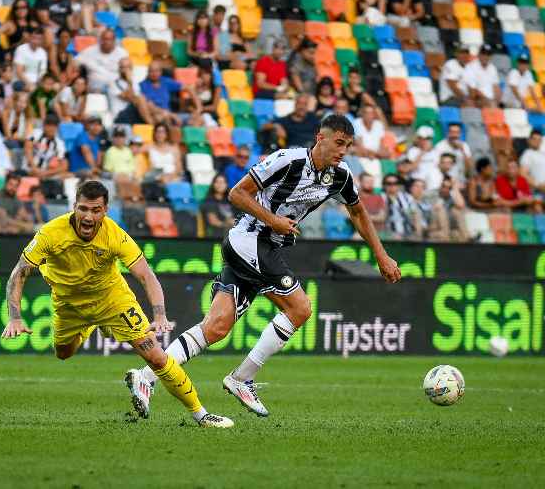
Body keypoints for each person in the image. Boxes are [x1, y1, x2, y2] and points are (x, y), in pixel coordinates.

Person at [125, 115, 401, 418]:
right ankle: (241, 378)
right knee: (300, 308)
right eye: (338, 143)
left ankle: (146, 378)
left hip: (259, 248)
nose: (343, 151)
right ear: (320, 138)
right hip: (251, 240)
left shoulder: (341, 176)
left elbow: (358, 212)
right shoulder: (287, 160)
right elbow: (237, 193)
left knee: (215, 328)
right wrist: (274, 221)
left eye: (348, 146)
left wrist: (381, 255)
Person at [1, 180, 233, 428]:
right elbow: (19, 273)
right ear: (74, 207)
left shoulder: (115, 235)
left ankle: (201, 414)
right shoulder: (50, 233)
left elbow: (146, 275)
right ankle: (90, 326)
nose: (88, 216)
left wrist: (159, 314)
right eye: (83, 209)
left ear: (105, 210)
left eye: (96, 210)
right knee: (63, 353)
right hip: (69, 305)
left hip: (112, 301)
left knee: (156, 357)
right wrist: (15, 316)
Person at [75, 28, 128, 93]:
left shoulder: (122, 53)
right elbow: (75, 62)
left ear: (114, 41)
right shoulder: (90, 51)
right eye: (104, 39)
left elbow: (128, 71)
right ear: (100, 40)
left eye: (109, 39)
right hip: (95, 88)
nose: (106, 42)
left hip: (116, 87)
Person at [108, 57, 153, 125]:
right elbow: (129, 97)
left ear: (132, 68)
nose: (125, 70)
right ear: (119, 69)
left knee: (158, 115)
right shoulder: (113, 84)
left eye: (128, 67)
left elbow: (139, 102)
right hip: (121, 116)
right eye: (122, 67)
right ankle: (152, 125)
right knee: (140, 98)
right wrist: (129, 81)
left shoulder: (135, 83)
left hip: (134, 113)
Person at [24, 113, 69, 181]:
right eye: (49, 125)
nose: (51, 128)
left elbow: (64, 165)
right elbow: (27, 147)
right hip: (30, 169)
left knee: (68, 176)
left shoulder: (60, 143)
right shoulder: (35, 133)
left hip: (47, 174)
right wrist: (34, 168)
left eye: (54, 126)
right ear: (44, 125)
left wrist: (46, 173)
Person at [140, 60, 185, 125]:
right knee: (161, 117)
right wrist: (171, 114)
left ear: (161, 72)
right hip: (155, 115)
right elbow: (150, 106)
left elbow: (189, 88)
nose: (154, 73)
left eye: (157, 71)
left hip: (169, 114)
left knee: (195, 119)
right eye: (151, 71)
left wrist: (199, 108)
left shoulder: (165, 81)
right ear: (148, 72)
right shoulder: (143, 85)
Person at [433, 122, 473, 188]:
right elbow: (436, 167)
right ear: (448, 133)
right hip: (444, 182)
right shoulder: (440, 146)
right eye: (452, 132)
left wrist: (462, 150)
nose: (454, 135)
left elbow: (470, 168)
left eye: (457, 132)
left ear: (460, 134)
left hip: (461, 181)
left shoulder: (464, 146)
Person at [382, 173, 418, 239]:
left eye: (395, 183)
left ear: (398, 185)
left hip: (408, 232)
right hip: (387, 234)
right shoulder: (381, 198)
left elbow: (415, 215)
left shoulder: (407, 198)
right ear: (384, 185)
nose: (392, 185)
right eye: (389, 183)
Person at [201, 173, 236, 238]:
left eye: (222, 182)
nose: (220, 185)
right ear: (213, 184)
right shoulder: (209, 201)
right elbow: (213, 222)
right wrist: (228, 223)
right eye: (217, 182)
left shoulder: (230, 200)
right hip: (216, 234)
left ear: (226, 184)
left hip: (232, 231)